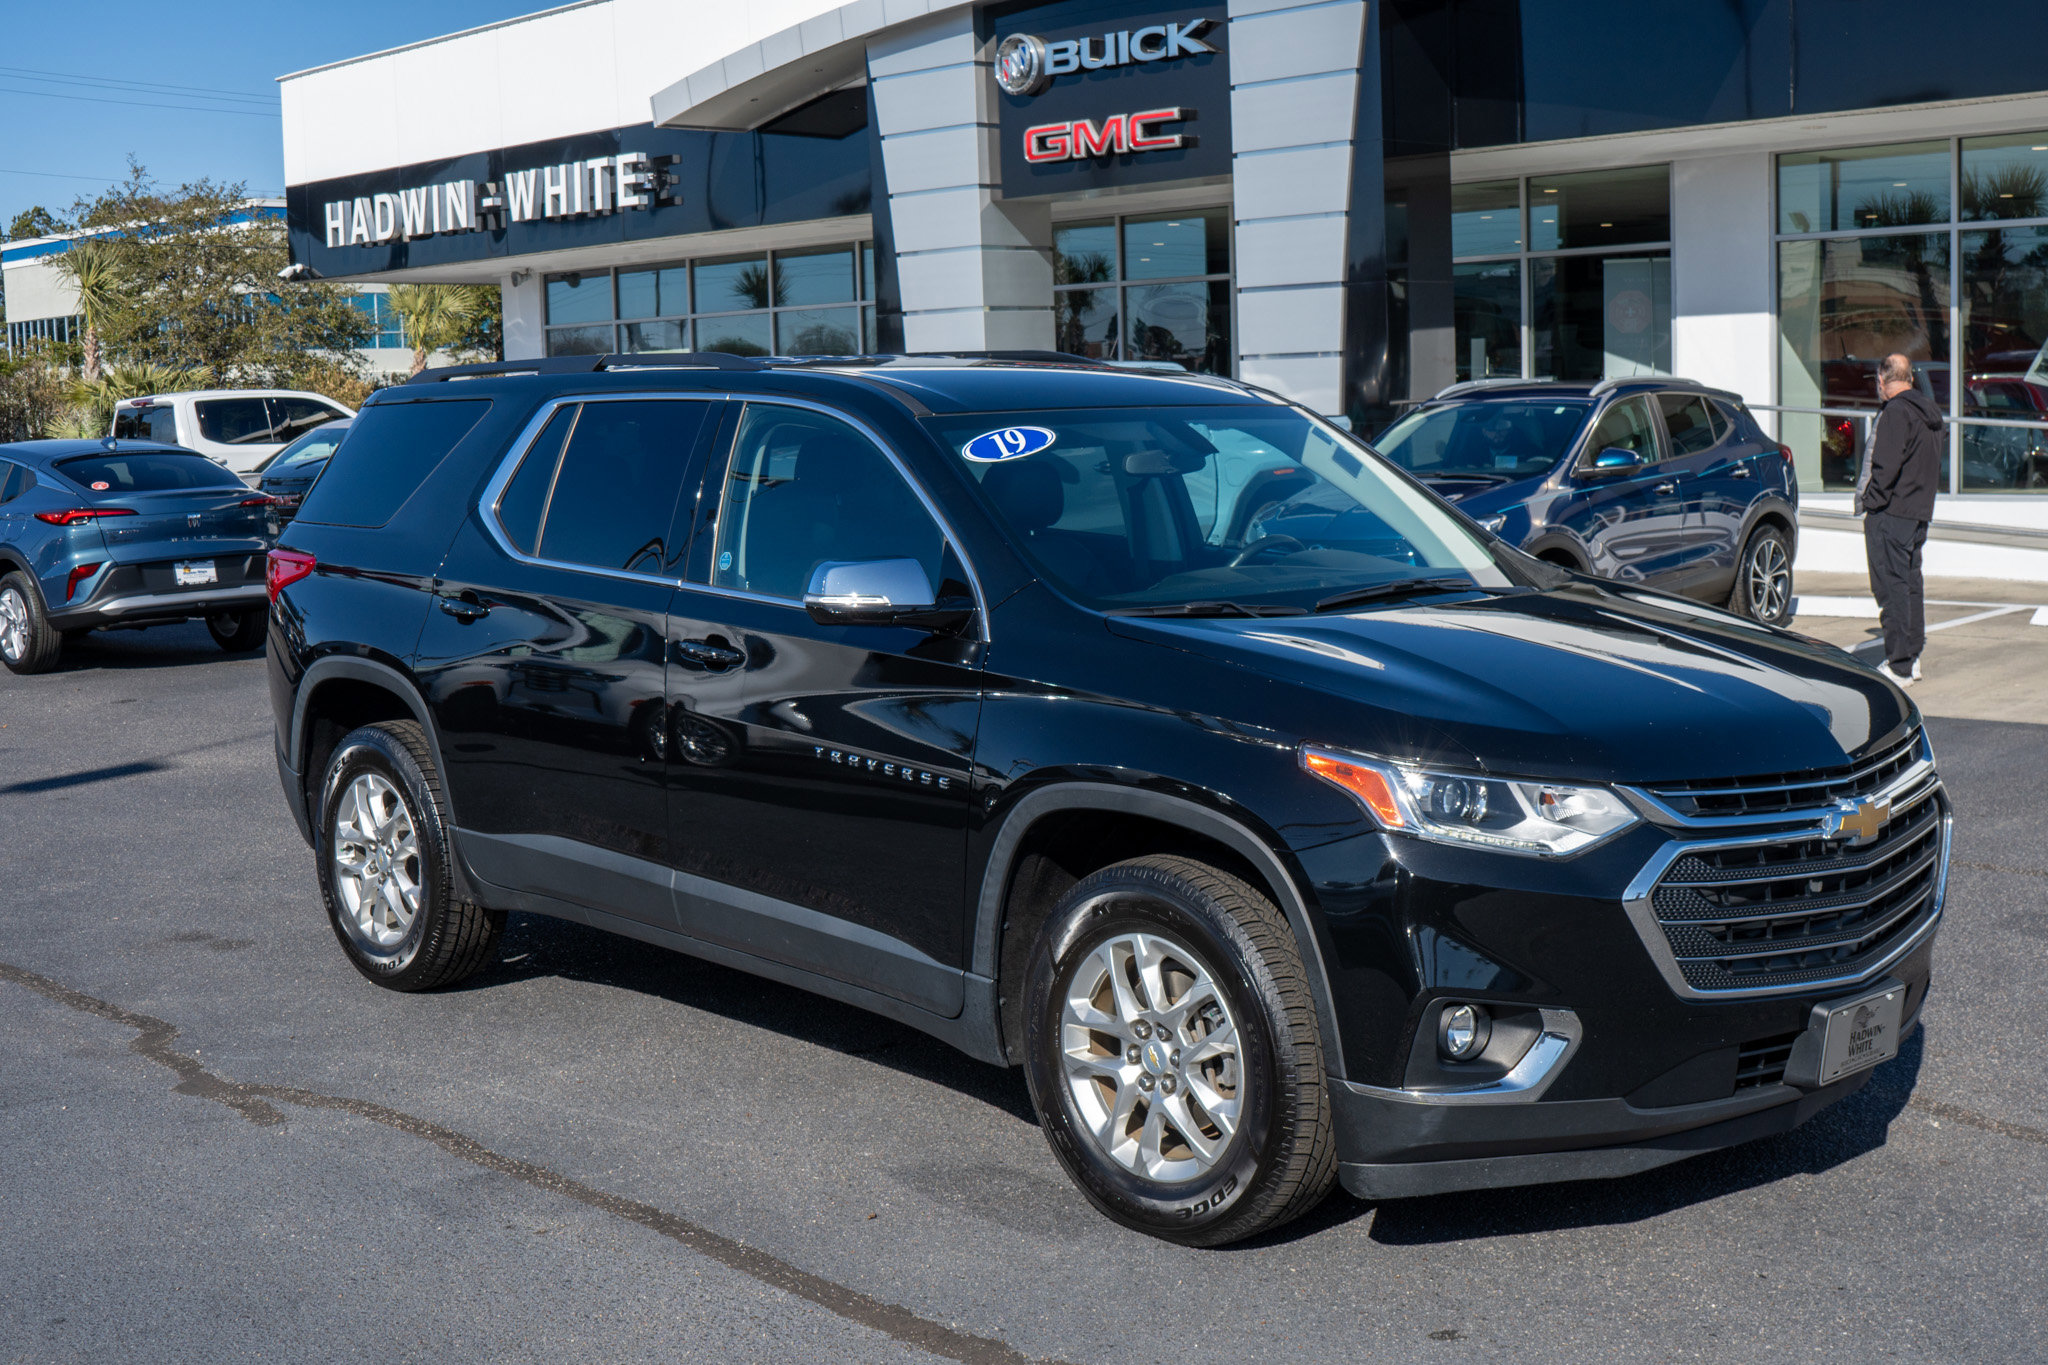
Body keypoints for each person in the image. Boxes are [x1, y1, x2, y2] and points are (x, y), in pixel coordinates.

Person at [1858, 353, 1943, 686]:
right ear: (1910, 378)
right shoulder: (1929, 411)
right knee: (1910, 585)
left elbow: (1885, 467)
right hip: (1918, 511)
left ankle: (1900, 666)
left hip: (1892, 514)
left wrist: (1871, 502)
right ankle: (1911, 657)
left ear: (1882, 379)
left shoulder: (1896, 412)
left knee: (1891, 587)